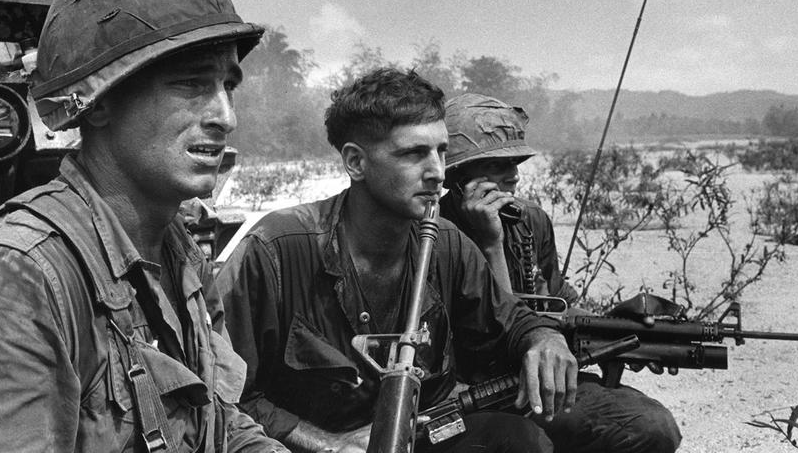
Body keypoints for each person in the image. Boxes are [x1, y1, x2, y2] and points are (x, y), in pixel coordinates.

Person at [0, 0, 288, 452]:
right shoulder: (11, 283)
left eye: (228, 86)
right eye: (191, 84)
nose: (225, 116)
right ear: (98, 103)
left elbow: (218, 424)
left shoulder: (182, 258)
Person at [219, 68, 578, 453]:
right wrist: (328, 445)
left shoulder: (446, 242)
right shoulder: (277, 249)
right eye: (413, 154)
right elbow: (227, 396)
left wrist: (542, 337)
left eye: (441, 151)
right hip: (316, 445)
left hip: (422, 434)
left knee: (522, 442)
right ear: (356, 162)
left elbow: (508, 321)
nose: (437, 173)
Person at [440, 92, 682, 453]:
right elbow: (496, 335)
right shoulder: (435, 236)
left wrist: (621, 333)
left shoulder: (530, 221)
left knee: (652, 427)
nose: (514, 176)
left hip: (543, 380)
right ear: (458, 177)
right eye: (496, 165)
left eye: (516, 162)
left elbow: (558, 301)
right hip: (477, 392)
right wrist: (490, 244)